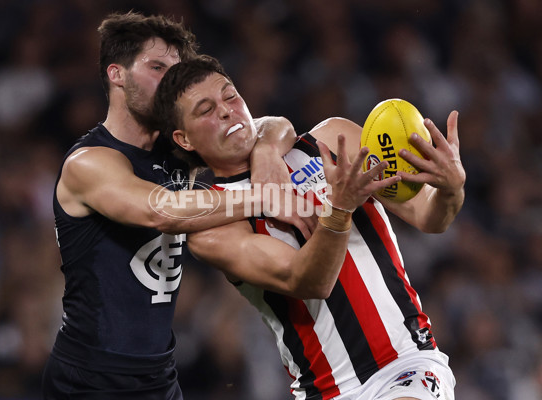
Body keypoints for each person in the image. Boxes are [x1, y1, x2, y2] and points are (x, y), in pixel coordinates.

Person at [152, 55, 466, 400]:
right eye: (205, 110)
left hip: (407, 364)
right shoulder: (213, 227)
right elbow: (309, 281)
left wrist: (450, 189)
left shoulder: (332, 139)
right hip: (324, 391)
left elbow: (429, 217)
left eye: (230, 97)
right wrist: (340, 209)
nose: (227, 111)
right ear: (184, 140)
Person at [42, 12, 316, 400]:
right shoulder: (89, 162)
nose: (170, 80)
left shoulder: (177, 148)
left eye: (176, 69)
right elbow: (162, 211)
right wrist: (265, 197)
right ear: (117, 74)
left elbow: (271, 124)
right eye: (157, 67)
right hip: (92, 377)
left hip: (159, 374)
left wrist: (269, 150)